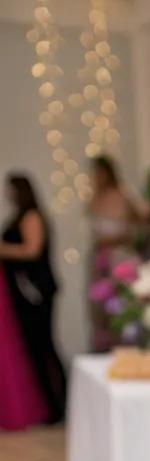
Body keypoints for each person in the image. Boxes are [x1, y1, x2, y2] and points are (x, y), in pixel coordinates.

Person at [0, 173, 65, 425]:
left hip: (35, 292)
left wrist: (2, 250)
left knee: (44, 346)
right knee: (34, 348)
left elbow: (31, 249)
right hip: (24, 293)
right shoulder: (19, 216)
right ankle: (48, 405)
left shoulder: (31, 216)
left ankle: (57, 406)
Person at [88, 155, 149, 351]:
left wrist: (121, 238)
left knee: (121, 303)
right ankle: (105, 345)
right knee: (100, 306)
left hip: (119, 257)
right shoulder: (95, 198)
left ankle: (126, 345)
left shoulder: (123, 195)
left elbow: (140, 222)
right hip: (100, 257)